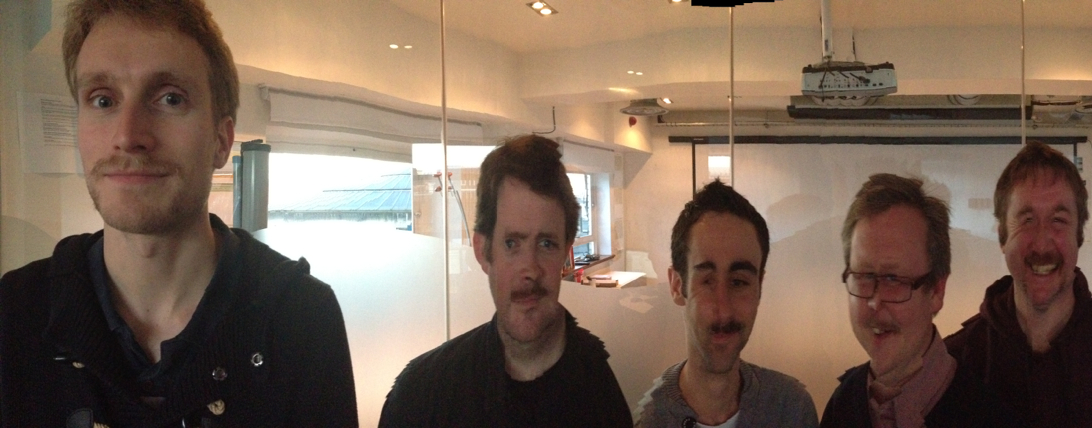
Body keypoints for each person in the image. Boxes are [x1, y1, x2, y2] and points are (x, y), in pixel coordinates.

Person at [0, 0, 359, 425]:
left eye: (170, 98)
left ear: (221, 141)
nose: (128, 135)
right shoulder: (15, 313)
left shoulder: (301, 317)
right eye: (103, 100)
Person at [379, 135, 630, 427]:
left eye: (546, 244)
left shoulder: (600, 392)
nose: (530, 269)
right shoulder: (421, 396)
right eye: (512, 243)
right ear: (482, 251)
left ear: (566, 252)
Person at [945, 141, 1092, 427]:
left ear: (1079, 236)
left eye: (1058, 220)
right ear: (1003, 237)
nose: (1042, 244)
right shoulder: (959, 358)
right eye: (1027, 220)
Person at [820, 174, 1019, 428]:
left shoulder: (988, 417)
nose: (874, 302)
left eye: (893, 279)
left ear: (936, 291)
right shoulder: (844, 403)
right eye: (863, 276)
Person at [635, 180, 817, 427]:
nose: (723, 309)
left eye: (739, 282)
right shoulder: (646, 421)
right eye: (707, 281)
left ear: (759, 287)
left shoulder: (791, 410)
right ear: (677, 286)